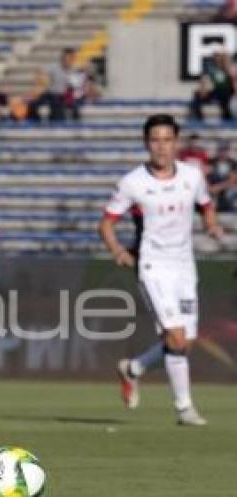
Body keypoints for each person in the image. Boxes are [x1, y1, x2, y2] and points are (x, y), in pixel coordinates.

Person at [99, 114, 224, 425]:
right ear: (146, 143)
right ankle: (185, 409)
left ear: (176, 142)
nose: (162, 147)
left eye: (167, 140)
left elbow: (205, 203)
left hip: (184, 265)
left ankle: (134, 368)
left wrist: (210, 223)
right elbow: (106, 223)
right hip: (153, 266)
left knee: (184, 343)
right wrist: (117, 250)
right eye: (155, 140)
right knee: (177, 339)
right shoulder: (133, 183)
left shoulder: (192, 176)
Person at [28, 48, 76, 122]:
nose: (70, 61)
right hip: (51, 95)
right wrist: (42, 80)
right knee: (35, 104)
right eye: (69, 58)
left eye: (72, 59)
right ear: (63, 58)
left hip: (64, 97)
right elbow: (40, 71)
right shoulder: (54, 68)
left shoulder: (73, 71)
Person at [189, 50, 234, 122]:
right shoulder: (211, 69)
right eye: (216, 57)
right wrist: (203, 90)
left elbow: (232, 80)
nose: (218, 59)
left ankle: (227, 115)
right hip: (215, 91)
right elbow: (204, 80)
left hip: (226, 92)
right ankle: (198, 116)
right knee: (197, 95)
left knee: (224, 98)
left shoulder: (227, 69)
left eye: (220, 57)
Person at [207, 140, 237, 211]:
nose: (223, 152)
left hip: (226, 187)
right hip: (213, 185)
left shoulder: (232, 163)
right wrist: (209, 187)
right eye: (221, 150)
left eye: (225, 150)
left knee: (230, 192)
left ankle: (229, 210)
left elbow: (232, 180)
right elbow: (206, 175)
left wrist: (218, 187)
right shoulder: (212, 161)